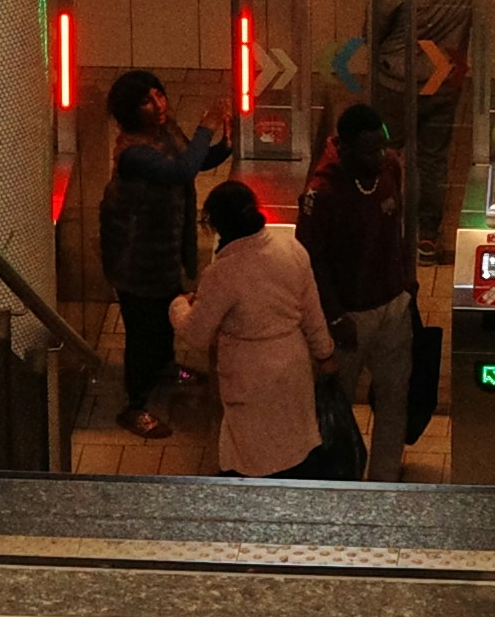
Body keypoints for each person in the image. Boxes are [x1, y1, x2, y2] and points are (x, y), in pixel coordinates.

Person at [175, 177, 333, 482]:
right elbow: (312, 312)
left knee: (252, 459)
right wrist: (325, 354)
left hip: (249, 374)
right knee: (294, 449)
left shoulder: (222, 273)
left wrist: (179, 306)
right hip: (293, 365)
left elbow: (196, 335)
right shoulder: (291, 247)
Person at [298, 103, 415, 479]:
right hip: (349, 316)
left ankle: (385, 473)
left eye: (382, 147)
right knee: (338, 403)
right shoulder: (323, 192)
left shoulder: (388, 169)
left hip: (392, 306)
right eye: (370, 150)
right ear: (344, 148)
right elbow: (311, 260)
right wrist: (333, 316)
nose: (380, 156)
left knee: (395, 396)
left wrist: (406, 283)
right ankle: (341, 474)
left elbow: (398, 227)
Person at [98, 70, 200, 439]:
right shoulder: (133, 153)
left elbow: (194, 161)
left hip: (165, 253)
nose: (158, 105)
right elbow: (181, 170)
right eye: (146, 100)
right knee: (141, 331)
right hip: (135, 260)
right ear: (129, 111)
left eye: (159, 94)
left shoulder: (165, 131)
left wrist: (224, 143)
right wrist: (207, 129)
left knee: (165, 316)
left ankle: (166, 365)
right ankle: (135, 404)